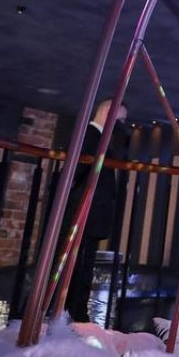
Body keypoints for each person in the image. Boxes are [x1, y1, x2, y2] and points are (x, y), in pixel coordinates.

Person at [63, 98, 128, 322]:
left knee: (82, 266)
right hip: (84, 213)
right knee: (77, 267)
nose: (121, 125)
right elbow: (76, 174)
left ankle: (74, 315)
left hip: (89, 214)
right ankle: (73, 315)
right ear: (107, 112)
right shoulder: (89, 136)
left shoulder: (97, 138)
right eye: (120, 119)